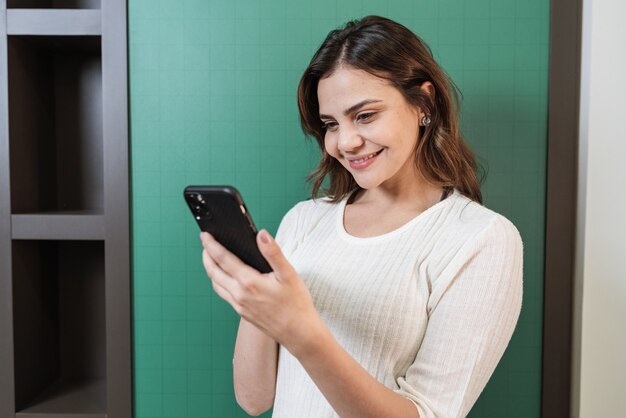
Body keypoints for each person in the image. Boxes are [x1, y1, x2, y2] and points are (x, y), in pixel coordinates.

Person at [200, 15, 523, 418]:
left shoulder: (480, 239)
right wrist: (255, 303)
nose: (345, 142)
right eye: (331, 124)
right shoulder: (304, 220)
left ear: (424, 102)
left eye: (365, 115)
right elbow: (254, 398)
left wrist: (301, 331)